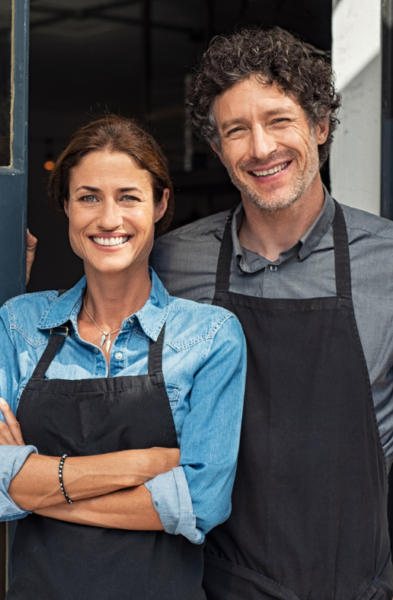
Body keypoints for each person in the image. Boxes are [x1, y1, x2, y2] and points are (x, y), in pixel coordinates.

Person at [0, 115, 246, 600]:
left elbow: (200, 501)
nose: (109, 219)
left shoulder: (209, 336)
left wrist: (32, 490)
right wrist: (141, 465)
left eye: (128, 197)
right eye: (88, 197)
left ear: (160, 203)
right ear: (65, 206)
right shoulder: (22, 324)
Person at [150, 27, 393, 599]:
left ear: (321, 126)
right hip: (210, 584)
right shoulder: (169, 261)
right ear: (218, 150)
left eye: (279, 120)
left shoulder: (386, 260)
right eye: (237, 130)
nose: (261, 148)